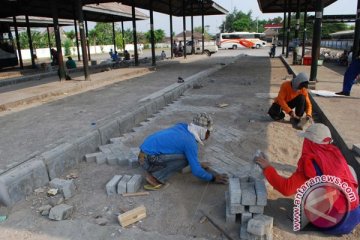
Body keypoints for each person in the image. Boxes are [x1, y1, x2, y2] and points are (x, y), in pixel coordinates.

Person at [255, 123, 360, 235]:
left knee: (304, 195)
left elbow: (286, 189)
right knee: (348, 170)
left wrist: (268, 168)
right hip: (355, 216)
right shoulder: (335, 154)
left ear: (310, 143)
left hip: (335, 225)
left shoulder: (310, 164)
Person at [138, 112, 228, 190]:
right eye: (208, 132)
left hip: (143, 155)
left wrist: (197, 164)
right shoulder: (189, 142)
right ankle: (155, 177)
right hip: (147, 161)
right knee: (185, 159)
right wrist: (213, 178)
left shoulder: (183, 126)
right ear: (201, 130)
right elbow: (196, 171)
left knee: (186, 156)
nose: (209, 135)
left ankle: (156, 169)